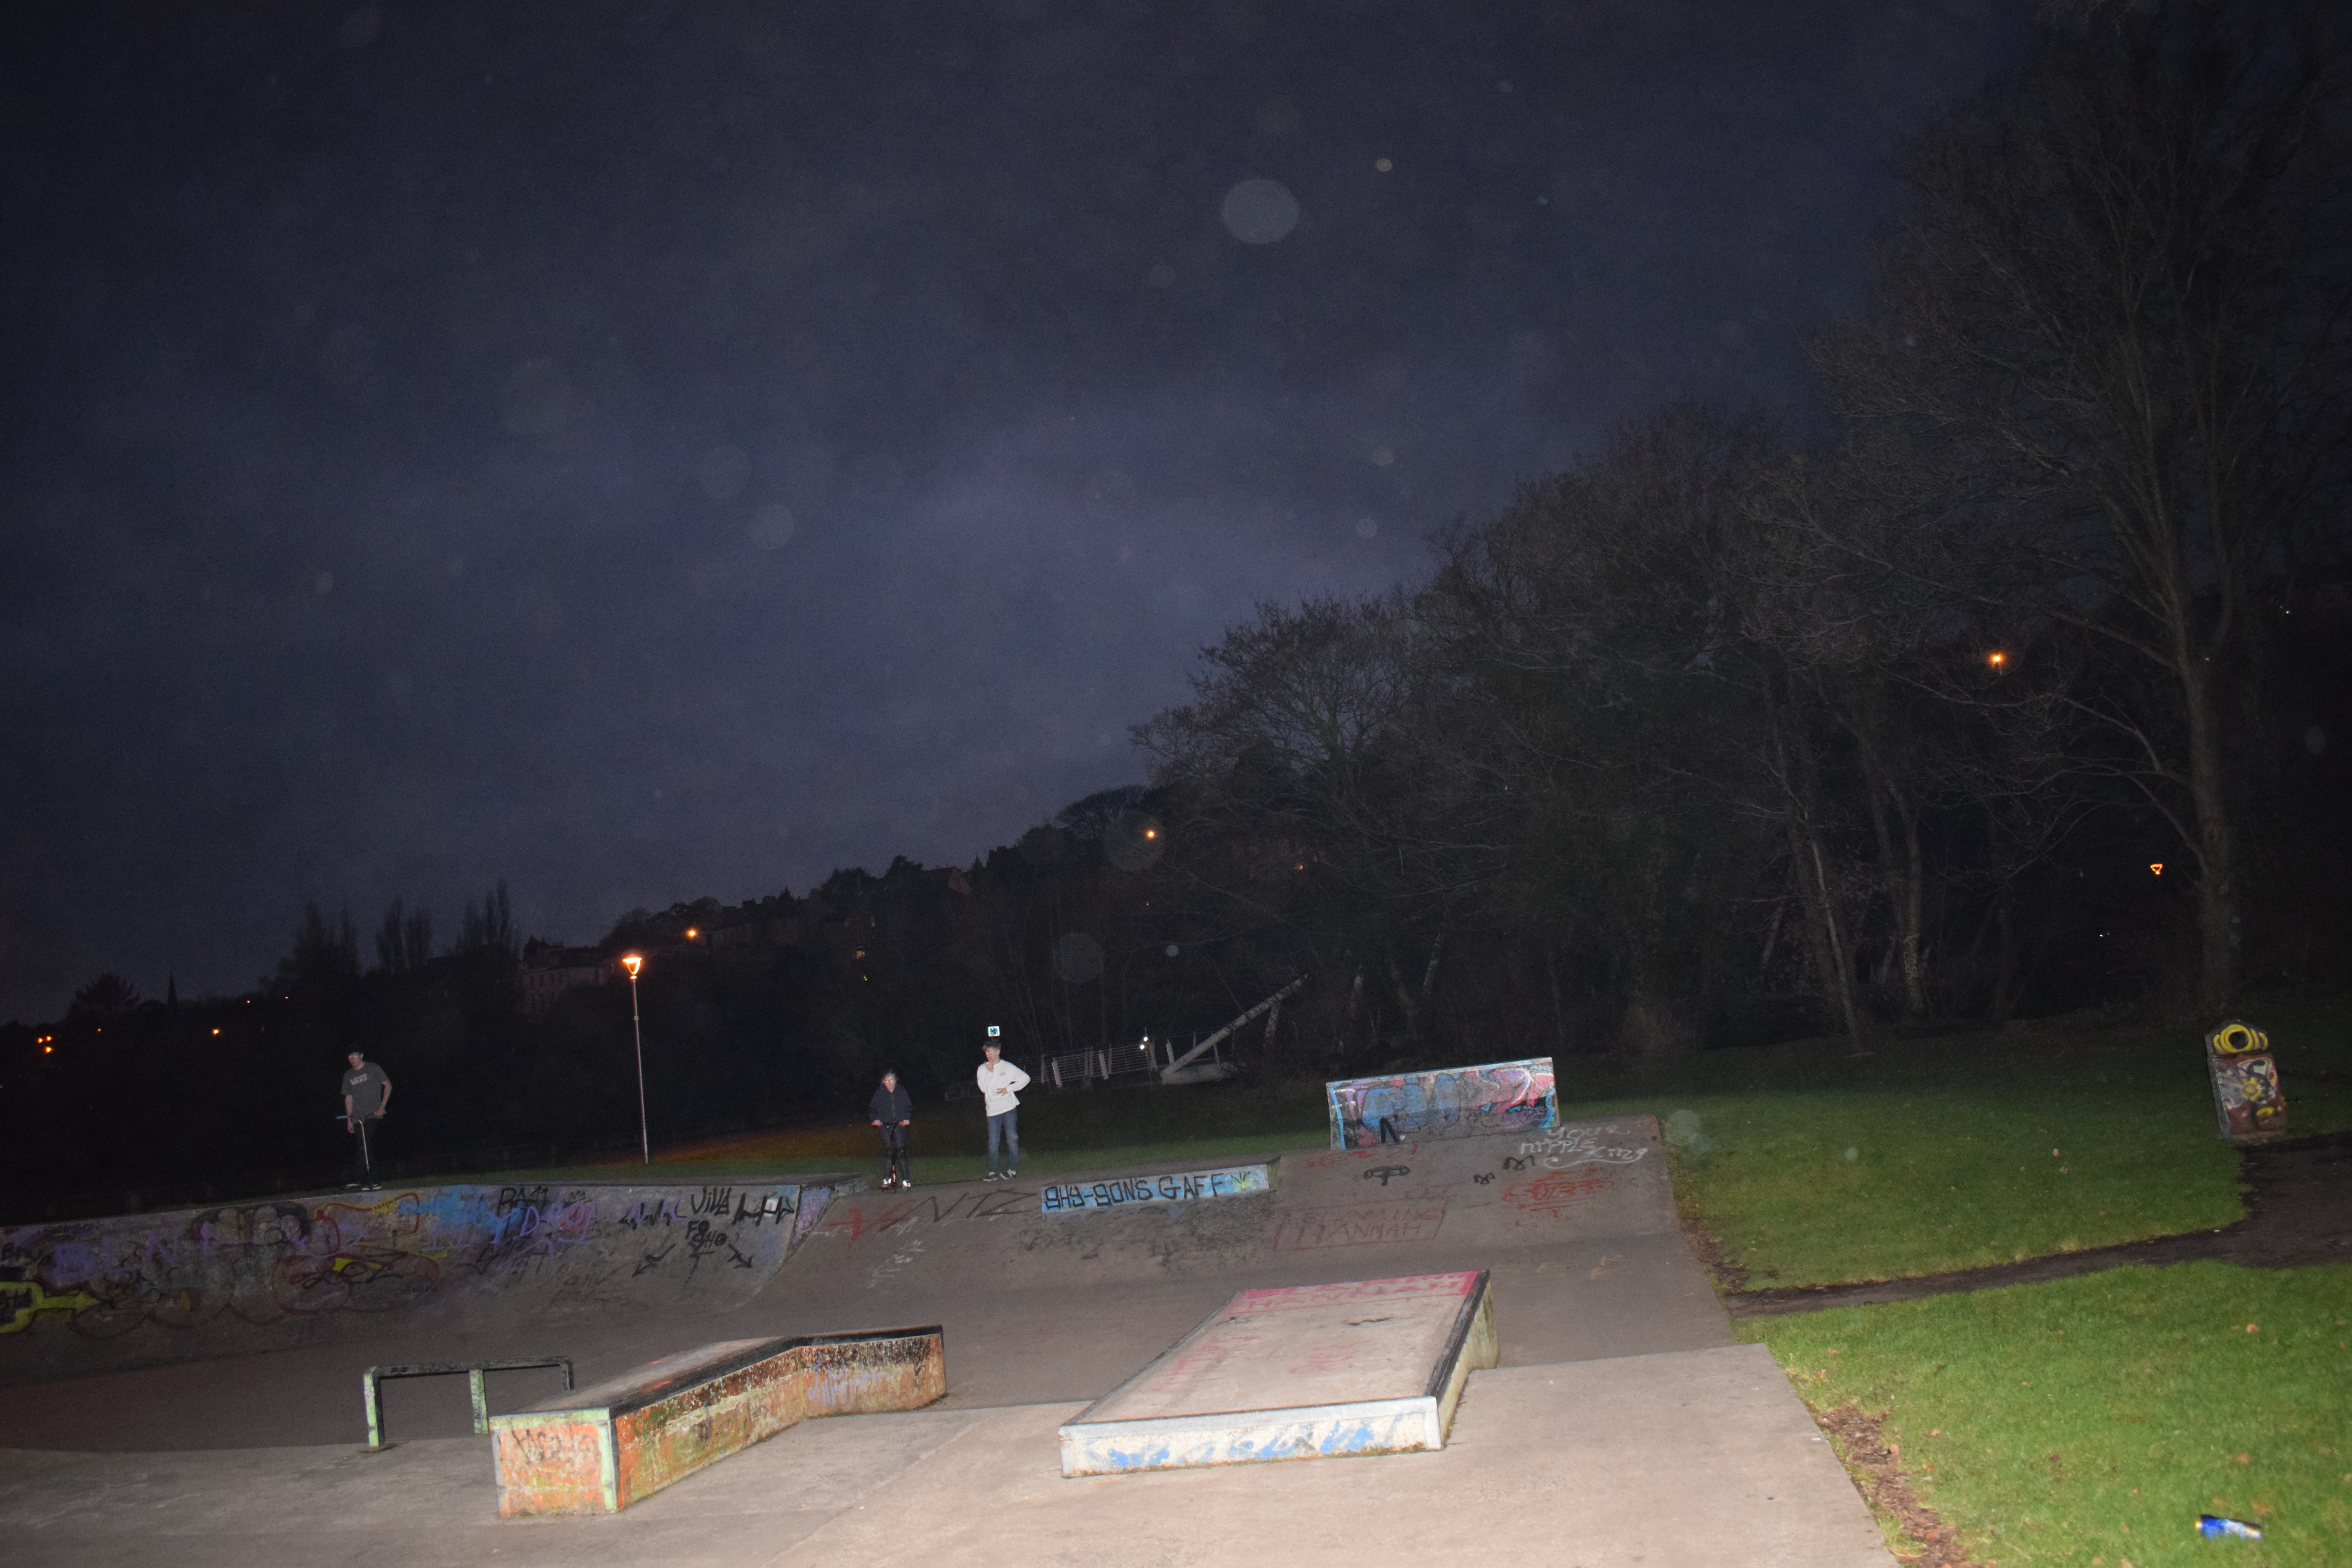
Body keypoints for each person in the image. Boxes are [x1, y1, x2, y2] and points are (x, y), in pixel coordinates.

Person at [975, 1040, 1030, 1181]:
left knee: (1012, 1139)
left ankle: (1012, 1169)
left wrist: (1009, 1089)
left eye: (991, 1052)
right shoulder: (982, 1069)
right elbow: (983, 1088)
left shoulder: (1008, 1067)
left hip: (1008, 1108)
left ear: (998, 1052)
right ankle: (992, 1172)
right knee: (994, 1142)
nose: (989, 1055)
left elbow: (1025, 1078)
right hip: (992, 1111)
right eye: (987, 1053)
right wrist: (990, 1072)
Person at [340, 1050, 393, 1189]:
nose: (353, 1059)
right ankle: (368, 1180)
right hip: (357, 1117)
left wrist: (382, 1106)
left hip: (372, 1114)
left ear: (362, 1055)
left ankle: (363, 1178)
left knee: (364, 1143)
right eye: (350, 1056)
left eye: (355, 1055)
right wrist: (349, 1119)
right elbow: (348, 1099)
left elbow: (388, 1085)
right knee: (364, 1146)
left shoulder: (373, 1068)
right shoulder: (349, 1075)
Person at [869, 1069, 915, 1189]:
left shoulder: (901, 1092)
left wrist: (906, 1119)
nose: (890, 1083)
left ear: (896, 1080)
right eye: (887, 1081)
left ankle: (906, 1180)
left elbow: (908, 1107)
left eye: (892, 1080)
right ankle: (887, 1179)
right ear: (883, 1082)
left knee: (901, 1151)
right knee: (890, 1152)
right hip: (884, 1125)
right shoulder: (880, 1094)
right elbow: (873, 1109)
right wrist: (876, 1119)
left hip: (899, 1125)